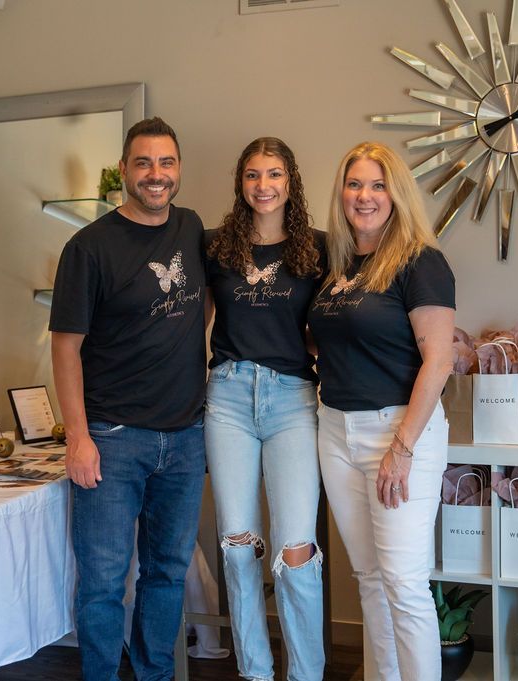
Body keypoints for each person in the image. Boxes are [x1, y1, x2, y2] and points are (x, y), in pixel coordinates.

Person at [49, 117, 207, 681]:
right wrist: (79, 438)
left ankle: (154, 675)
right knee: (102, 582)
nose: (155, 175)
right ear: (124, 171)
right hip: (114, 440)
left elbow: (205, 305)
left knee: (166, 573)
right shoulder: (88, 248)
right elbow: (66, 349)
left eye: (166, 163)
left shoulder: (191, 229)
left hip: (187, 439)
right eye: (143, 163)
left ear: (179, 169)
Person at [308, 142, 455, 681]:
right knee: (369, 577)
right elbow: (330, 339)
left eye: (376, 185)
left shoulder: (421, 261)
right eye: (354, 185)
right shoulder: (339, 266)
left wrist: (402, 448)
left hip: (397, 432)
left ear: (396, 194)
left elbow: (438, 360)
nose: (364, 196)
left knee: (403, 582)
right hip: (335, 430)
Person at [204, 137, 325, 681]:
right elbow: (186, 321)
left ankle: (305, 674)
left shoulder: (317, 249)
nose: (263, 186)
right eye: (252, 175)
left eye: (273, 174)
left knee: (296, 550)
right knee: (235, 547)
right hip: (227, 395)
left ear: (290, 181)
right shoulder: (215, 249)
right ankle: (254, 671)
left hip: (292, 400)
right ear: (241, 183)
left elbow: (336, 324)